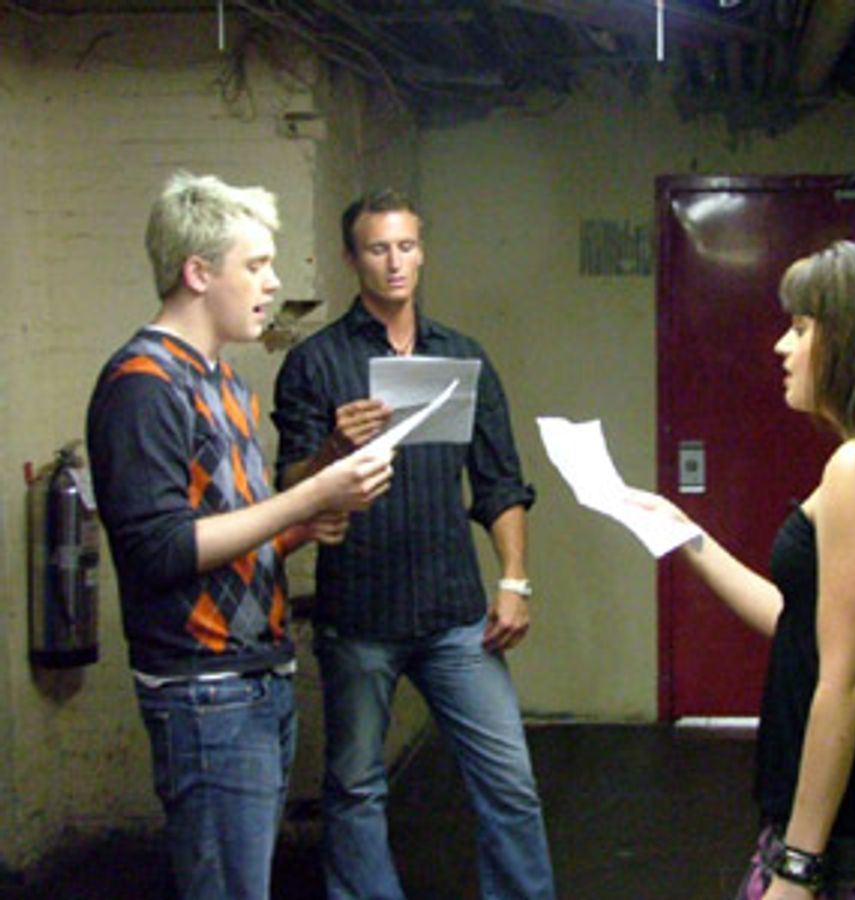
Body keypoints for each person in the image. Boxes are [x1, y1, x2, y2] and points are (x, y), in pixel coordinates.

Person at [86, 172, 393, 900]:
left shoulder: (222, 382)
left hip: (255, 676)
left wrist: (301, 523)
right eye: (255, 265)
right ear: (197, 272)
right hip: (204, 689)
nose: (273, 282)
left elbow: (232, 537)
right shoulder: (142, 384)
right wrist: (306, 496)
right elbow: (158, 552)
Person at [635, 240, 855, 898]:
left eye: (799, 328)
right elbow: (803, 625)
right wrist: (684, 534)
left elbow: (843, 678)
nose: (781, 348)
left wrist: (798, 866)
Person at [271, 188, 555, 899]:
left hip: (455, 614)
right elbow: (287, 489)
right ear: (351, 258)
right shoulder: (315, 364)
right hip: (358, 615)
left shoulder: (462, 357)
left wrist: (514, 579)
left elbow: (500, 481)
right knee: (356, 786)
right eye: (377, 249)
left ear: (422, 251)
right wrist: (335, 445)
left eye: (406, 246)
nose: (394, 263)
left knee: (510, 784)